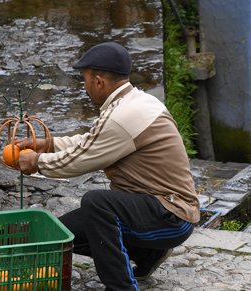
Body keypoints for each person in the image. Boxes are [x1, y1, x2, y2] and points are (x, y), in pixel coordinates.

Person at [15, 41, 200, 290]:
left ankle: (121, 286)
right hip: (162, 209)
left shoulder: (121, 116)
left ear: (99, 81)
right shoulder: (136, 102)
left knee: (97, 203)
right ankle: (147, 256)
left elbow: (81, 159)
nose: (84, 87)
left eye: (85, 80)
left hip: (170, 217)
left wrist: (36, 163)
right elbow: (90, 141)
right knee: (62, 234)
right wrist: (48, 144)